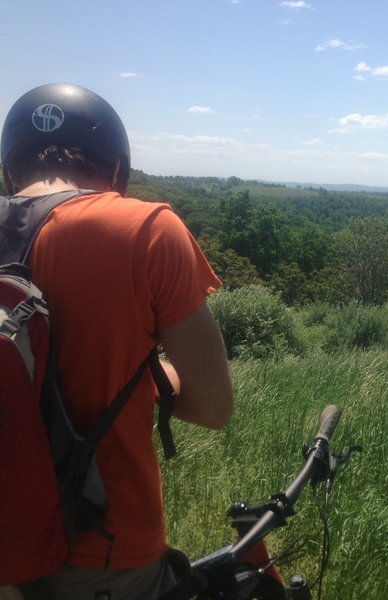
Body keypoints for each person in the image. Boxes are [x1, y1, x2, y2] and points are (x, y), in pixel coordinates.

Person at [0, 83, 233, 599]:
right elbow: (213, 405)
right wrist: (148, 375)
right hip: (101, 552)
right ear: (118, 172)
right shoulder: (145, 230)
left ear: (9, 170)